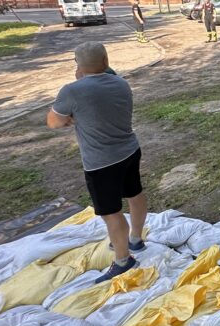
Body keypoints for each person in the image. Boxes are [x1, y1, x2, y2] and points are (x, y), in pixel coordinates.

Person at [47, 42, 147, 283]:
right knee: (135, 193)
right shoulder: (121, 83)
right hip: (129, 150)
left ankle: (123, 260)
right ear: (105, 60)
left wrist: (70, 115)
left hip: (101, 163)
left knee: (112, 213)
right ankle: (136, 238)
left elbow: (53, 122)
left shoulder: (72, 91)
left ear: (78, 65)